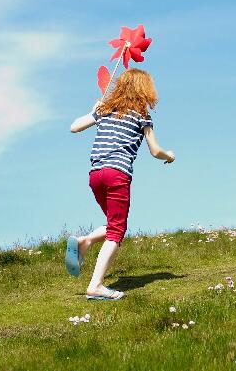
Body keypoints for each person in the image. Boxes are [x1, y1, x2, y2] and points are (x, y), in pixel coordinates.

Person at [65, 68, 175, 300]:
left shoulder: (105, 110)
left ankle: (84, 242)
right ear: (145, 89)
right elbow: (155, 150)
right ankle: (95, 285)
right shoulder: (142, 115)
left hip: (95, 175)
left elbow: (74, 127)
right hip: (117, 174)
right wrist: (170, 156)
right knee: (117, 230)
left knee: (115, 223)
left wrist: (93, 111)